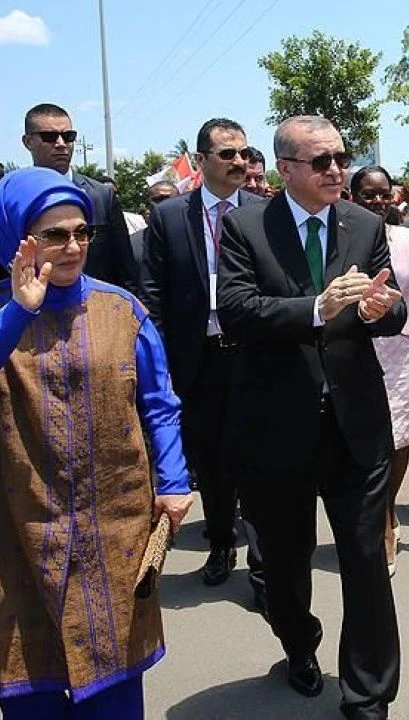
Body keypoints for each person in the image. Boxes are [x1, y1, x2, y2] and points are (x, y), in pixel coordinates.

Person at [0, 167, 193, 718]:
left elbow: (159, 402)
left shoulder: (121, 308)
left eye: (82, 232)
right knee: (31, 681)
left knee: (114, 685)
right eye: (54, 235)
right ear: (14, 238)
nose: (73, 246)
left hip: (112, 520)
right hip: (15, 524)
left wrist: (173, 482)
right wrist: (19, 313)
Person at [216, 115, 405, 718]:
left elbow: (391, 307)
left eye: (340, 158)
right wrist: (316, 309)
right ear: (285, 168)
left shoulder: (366, 223)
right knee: (286, 565)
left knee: (365, 561)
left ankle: (368, 694)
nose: (335, 170)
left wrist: (382, 309)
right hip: (277, 428)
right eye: (320, 161)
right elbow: (238, 311)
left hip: (356, 426)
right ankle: (298, 645)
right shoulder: (245, 226)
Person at [141, 118, 265, 592]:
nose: (238, 162)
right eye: (226, 154)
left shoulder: (262, 212)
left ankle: (261, 561)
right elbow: (151, 295)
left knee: (255, 459)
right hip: (197, 361)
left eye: (243, 153)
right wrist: (160, 365)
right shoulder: (171, 217)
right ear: (200, 161)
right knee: (211, 463)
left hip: (252, 357)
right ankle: (219, 546)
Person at [353, 165, 409, 576]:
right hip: (357, 350)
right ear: (353, 197)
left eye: (383, 193)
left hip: (403, 351)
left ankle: (386, 516)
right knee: (366, 436)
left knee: (400, 437)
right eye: (368, 194)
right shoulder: (344, 235)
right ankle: (370, 514)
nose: (377, 201)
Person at [0, 104, 137, 294]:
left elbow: (125, 273)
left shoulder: (101, 196)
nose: (61, 143)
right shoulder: (5, 201)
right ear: (27, 142)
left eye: (68, 137)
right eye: (49, 137)